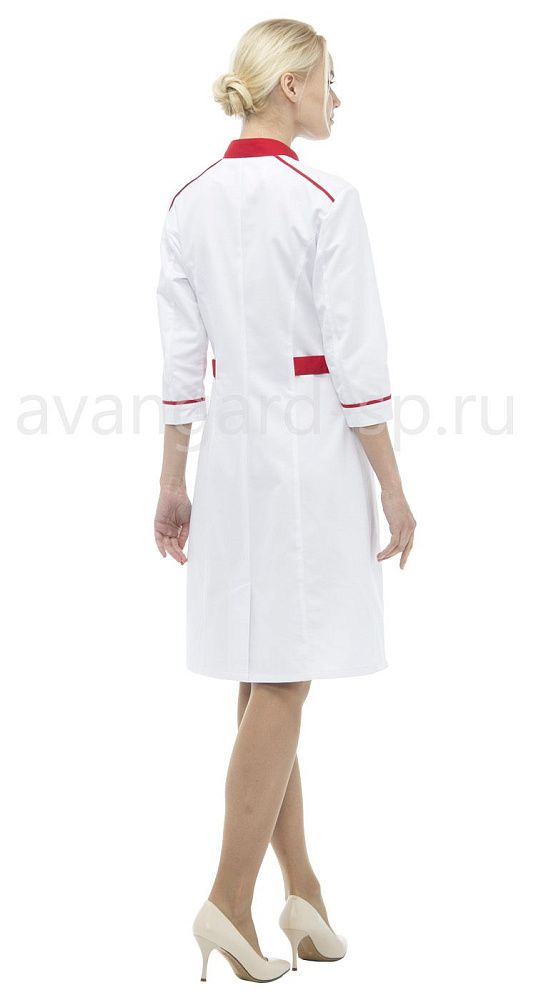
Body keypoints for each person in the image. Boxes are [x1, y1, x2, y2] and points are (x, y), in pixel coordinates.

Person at [154, 18, 416, 983]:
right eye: (331, 80)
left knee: (262, 667)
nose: (339, 98)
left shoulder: (187, 201)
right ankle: (228, 902)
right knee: (285, 678)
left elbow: (181, 362)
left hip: (229, 456)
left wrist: (172, 479)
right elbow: (358, 359)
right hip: (308, 452)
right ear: (292, 85)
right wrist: (393, 484)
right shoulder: (327, 197)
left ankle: (302, 892)